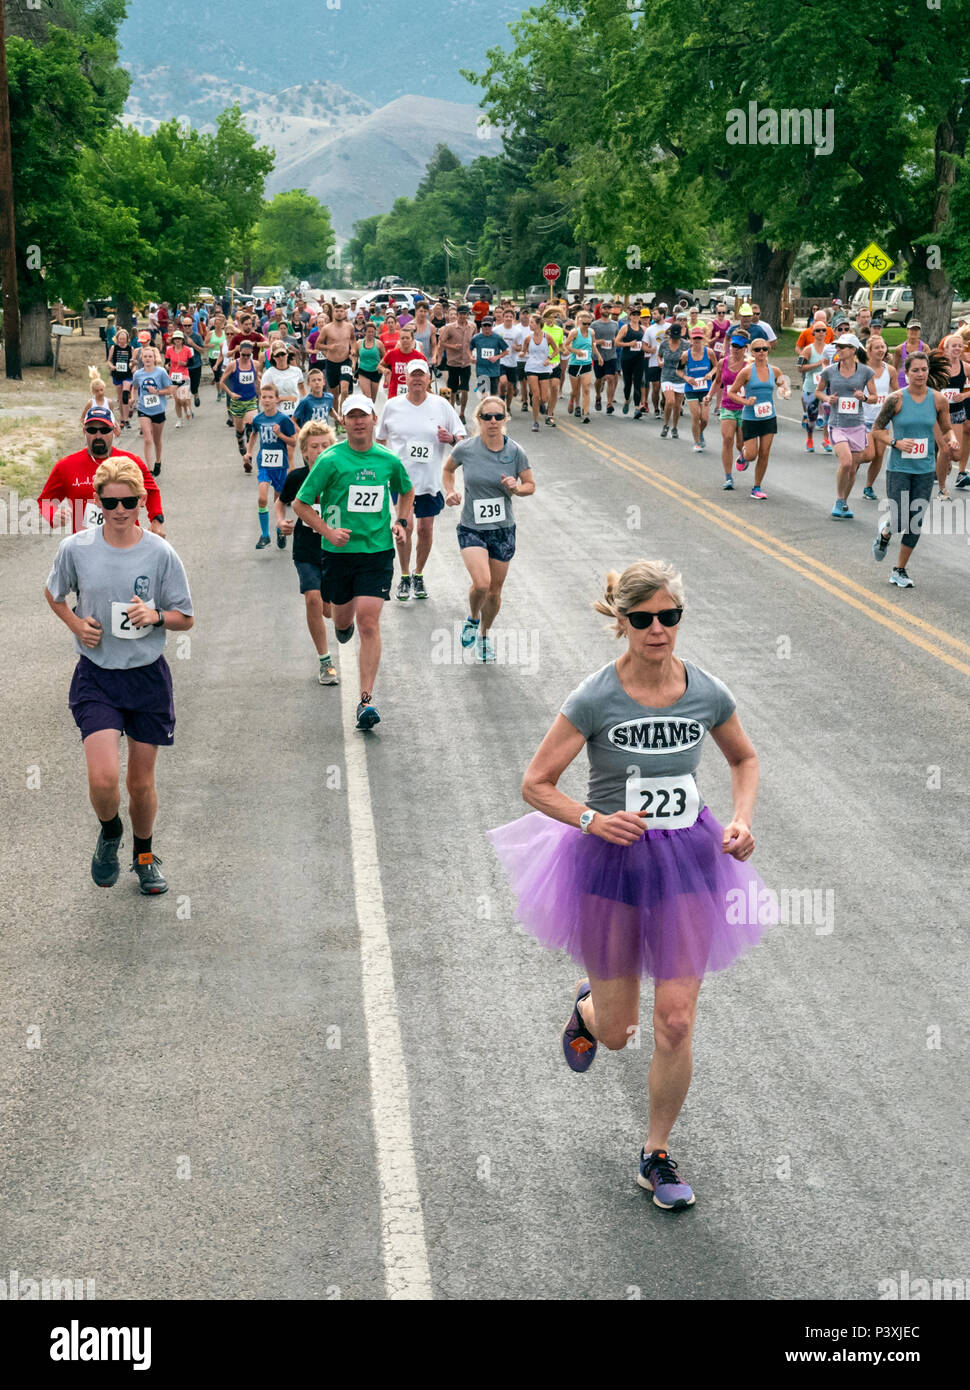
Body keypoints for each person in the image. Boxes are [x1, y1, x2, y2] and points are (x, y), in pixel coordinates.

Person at [488, 559, 771, 1207]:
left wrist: (742, 819)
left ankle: (656, 1155)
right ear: (620, 621)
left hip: (691, 863)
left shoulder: (706, 692)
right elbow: (536, 783)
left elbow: (744, 757)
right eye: (642, 619)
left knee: (674, 1021)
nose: (657, 629)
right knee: (619, 1032)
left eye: (668, 617)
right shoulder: (593, 698)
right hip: (612, 864)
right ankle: (589, 1009)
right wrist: (591, 820)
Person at [44, 455, 194, 895]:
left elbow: (186, 616)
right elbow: (54, 594)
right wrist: (76, 624)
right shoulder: (77, 548)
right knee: (105, 779)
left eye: (130, 501)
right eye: (111, 504)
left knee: (140, 783)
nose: (121, 511)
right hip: (97, 677)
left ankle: (144, 856)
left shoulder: (161, 553)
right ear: (98, 502)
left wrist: (156, 615)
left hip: (146, 678)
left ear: (142, 500)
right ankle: (110, 832)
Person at [292, 394, 414, 730]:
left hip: (376, 551)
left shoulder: (387, 460)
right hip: (338, 554)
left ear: (374, 419)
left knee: (369, 622)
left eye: (364, 416)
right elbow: (300, 505)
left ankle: (366, 700)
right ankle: (341, 628)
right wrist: (327, 532)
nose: (359, 422)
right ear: (342, 423)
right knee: (341, 619)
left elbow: (406, 490)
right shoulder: (330, 460)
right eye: (352, 417)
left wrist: (401, 523)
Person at [442, 396, 535, 662]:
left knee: (494, 591)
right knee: (481, 584)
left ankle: (484, 635)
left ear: (505, 419)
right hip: (472, 527)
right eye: (487, 417)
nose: (492, 422)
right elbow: (448, 470)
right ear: (478, 420)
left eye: (497, 417)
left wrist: (516, 488)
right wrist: (450, 491)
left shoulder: (515, 451)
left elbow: (530, 484)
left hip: (502, 529)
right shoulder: (466, 449)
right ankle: (472, 618)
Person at [376, 358, 466, 600]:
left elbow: (461, 437)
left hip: (430, 481)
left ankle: (419, 573)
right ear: (405, 378)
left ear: (428, 379)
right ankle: (404, 575)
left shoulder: (441, 405)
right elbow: (380, 441)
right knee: (406, 527)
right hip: (401, 482)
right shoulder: (393, 405)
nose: (416, 379)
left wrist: (451, 439)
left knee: (425, 529)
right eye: (412, 375)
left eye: (421, 375)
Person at [871, 352, 957, 586]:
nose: (920, 374)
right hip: (899, 467)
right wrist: (895, 443)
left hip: (925, 468)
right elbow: (877, 430)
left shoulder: (938, 400)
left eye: (924, 370)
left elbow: (946, 427)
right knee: (900, 518)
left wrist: (951, 439)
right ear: (906, 374)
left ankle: (899, 569)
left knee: (915, 520)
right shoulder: (896, 399)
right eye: (915, 370)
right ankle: (886, 533)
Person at [277, 420, 339, 685]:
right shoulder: (296, 478)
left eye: (326, 445)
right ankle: (325, 661)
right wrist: (281, 521)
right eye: (314, 446)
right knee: (312, 598)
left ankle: (340, 616)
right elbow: (280, 504)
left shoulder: (339, 475)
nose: (320, 450)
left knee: (330, 610)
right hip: (305, 548)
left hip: (336, 549)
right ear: (304, 451)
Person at [37, 408, 165, 536]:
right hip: (86, 544)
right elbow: (45, 500)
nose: (98, 436)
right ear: (84, 431)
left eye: (104, 430)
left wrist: (156, 521)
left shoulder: (131, 461)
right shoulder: (65, 466)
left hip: (126, 541)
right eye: (92, 430)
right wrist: (53, 514)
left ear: (114, 430)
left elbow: (152, 491)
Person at [816, 333, 878, 519]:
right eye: (837, 346)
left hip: (857, 425)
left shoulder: (865, 372)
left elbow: (874, 397)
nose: (838, 350)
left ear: (853, 350)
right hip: (837, 424)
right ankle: (839, 499)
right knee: (846, 462)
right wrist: (828, 399)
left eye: (842, 347)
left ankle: (843, 501)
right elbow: (818, 392)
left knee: (853, 468)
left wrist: (864, 397)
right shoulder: (830, 371)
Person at [726, 342, 792, 499]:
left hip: (769, 416)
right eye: (757, 349)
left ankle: (756, 487)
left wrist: (785, 392)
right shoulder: (746, 372)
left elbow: (785, 387)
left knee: (765, 452)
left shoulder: (775, 371)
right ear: (752, 353)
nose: (761, 352)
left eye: (764, 349)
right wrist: (746, 402)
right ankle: (744, 455)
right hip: (750, 417)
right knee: (752, 455)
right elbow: (732, 393)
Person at [245, 381, 298, 551]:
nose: (266, 400)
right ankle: (265, 535)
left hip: (280, 466)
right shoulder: (258, 419)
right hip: (265, 465)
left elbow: (294, 441)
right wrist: (249, 452)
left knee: (278, 502)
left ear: (276, 400)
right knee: (262, 497)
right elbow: (254, 434)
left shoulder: (283, 419)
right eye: (264, 397)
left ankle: (279, 529)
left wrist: (280, 434)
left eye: (270, 397)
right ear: (260, 399)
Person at [860, 334, 899, 500]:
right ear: (869, 351)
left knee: (879, 455)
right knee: (868, 454)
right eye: (877, 347)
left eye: (883, 347)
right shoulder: (861, 369)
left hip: (882, 420)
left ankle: (868, 487)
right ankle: (851, 465)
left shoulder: (890, 370)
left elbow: (897, 392)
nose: (881, 350)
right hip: (863, 419)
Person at [131, 346, 175, 476]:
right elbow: (134, 387)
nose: (148, 359)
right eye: (145, 357)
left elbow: (170, 389)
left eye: (150, 356)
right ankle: (149, 470)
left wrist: (157, 392)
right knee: (147, 439)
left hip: (158, 410)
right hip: (143, 409)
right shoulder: (138, 374)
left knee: (156, 440)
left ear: (154, 358)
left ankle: (158, 461)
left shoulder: (161, 372)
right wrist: (134, 398)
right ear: (141, 359)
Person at [712, 334, 748, 489]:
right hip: (727, 405)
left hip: (744, 408)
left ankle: (744, 455)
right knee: (727, 439)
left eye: (739, 347)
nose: (735, 349)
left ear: (745, 348)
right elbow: (718, 381)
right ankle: (728, 477)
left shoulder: (749, 365)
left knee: (741, 444)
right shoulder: (723, 362)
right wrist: (709, 396)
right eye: (733, 346)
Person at [223, 342, 261, 466]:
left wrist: (260, 394)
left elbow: (256, 381)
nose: (245, 357)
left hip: (251, 400)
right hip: (237, 402)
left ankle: (248, 456)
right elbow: (222, 381)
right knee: (240, 430)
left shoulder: (255, 364)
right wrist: (231, 393)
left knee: (251, 427)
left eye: (248, 355)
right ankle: (240, 442)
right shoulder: (233, 365)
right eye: (243, 355)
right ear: (239, 353)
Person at [435, 305, 475, 423]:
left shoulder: (472, 326)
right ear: (457, 315)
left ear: (468, 315)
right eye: (461, 314)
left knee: (465, 389)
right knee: (452, 389)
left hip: (466, 362)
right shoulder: (450, 328)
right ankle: (452, 411)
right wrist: (453, 346)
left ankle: (462, 413)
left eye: (465, 314)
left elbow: (474, 341)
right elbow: (441, 342)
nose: (463, 316)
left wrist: (472, 354)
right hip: (453, 362)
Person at [680, 328, 715, 451]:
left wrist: (711, 373)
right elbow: (678, 370)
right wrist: (686, 377)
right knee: (696, 415)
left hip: (705, 388)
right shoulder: (685, 355)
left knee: (704, 419)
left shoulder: (709, 352)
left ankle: (699, 433)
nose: (697, 340)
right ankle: (697, 442)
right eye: (695, 338)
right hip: (691, 388)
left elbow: (716, 367)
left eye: (699, 338)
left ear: (703, 339)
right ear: (691, 340)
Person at [563, 311, 602, 423]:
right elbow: (566, 345)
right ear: (579, 322)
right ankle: (573, 401)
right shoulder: (574, 332)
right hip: (575, 364)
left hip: (586, 364)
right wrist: (576, 351)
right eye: (584, 323)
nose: (586, 326)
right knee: (575, 390)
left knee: (586, 389)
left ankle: (585, 414)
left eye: (588, 324)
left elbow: (593, 345)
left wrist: (598, 356)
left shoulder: (592, 332)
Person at [319, 304, 357, 415]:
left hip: (345, 361)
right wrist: (329, 347)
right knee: (334, 394)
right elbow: (318, 345)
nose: (339, 313)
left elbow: (353, 340)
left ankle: (342, 415)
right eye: (337, 311)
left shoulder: (349, 327)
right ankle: (337, 419)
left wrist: (353, 349)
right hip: (331, 363)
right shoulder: (327, 328)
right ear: (333, 313)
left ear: (345, 313)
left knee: (345, 391)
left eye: (341, 311)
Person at [658, 323, 687, 438]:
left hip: (680, 377)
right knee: (670, 401)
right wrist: (660, 361)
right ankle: (666, 424)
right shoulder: (664, 344)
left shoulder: (686, 345)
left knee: (677, 406)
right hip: (667, 376)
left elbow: (691, 356)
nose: (675, 339)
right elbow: (659, 355)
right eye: (673, 337)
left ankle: (675, 427)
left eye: (677, 337)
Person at [616, 307, 646, 417]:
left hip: (639, 358)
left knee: (637, 383)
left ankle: (637, 407)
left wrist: (647, 347)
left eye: (638, 315)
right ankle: (627, 400)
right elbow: (616, 342)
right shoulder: (625, 328)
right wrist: (629, 344)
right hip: (627, 359)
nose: (636, 317)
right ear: (630, 316)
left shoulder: (643, 329)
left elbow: (647, 342)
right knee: (627, 384)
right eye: (634, 315)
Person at [592, 303, 620, 413]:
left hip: (611, 355)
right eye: (604, 308)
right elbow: (590, 340)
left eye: (609, 308)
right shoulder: (594, 325)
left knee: (610, 378)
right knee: (599, 379)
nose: (606, 310)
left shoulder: (615, 324)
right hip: (598, 355)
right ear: (600, 310)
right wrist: (599, 341)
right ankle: (598, 396)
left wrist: (615, 341)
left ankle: (609, 403)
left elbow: (617, 337)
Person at [107, 328, 135, 430]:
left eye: (124, 338)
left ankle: (126, 419)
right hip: (117, 374)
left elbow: (133, 361)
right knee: (120, 398)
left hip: (127, 375)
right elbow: (109, 361)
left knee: (124, 395)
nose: (122, 341)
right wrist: (111, 366)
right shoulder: (113, 348)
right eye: (120, 338)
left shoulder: (130, 348)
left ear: (127, 339)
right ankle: (122, 419)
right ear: (117, 339)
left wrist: (132, 365)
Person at [353, 321, 386, 403]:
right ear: (364, 332)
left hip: (376, 372)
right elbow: (354, 355)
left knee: (373, 399)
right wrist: (353, 364)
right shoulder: (359, 343)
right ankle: (368, 414)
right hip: (363, 371)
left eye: (372, 332)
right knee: (367, 397)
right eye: (368, 332)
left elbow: (385, 358)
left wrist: (381, 366)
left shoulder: (379, 344)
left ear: (375, 332)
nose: (370, 334)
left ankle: (371, 414)